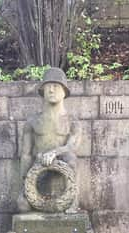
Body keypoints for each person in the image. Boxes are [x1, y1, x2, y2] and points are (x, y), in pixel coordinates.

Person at [17, 67, 79, 212]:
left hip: (64, 175)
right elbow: (26, 155)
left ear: (64, 91)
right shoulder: (32, 121)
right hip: (38, 173)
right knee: (22, 206)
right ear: (42, 91)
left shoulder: (72, 121)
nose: (51, 90)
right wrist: (25, 181)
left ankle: (73, 198)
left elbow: (72, 146)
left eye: (56, 86)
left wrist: (54, 153)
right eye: (48, 86)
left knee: (71, 158)